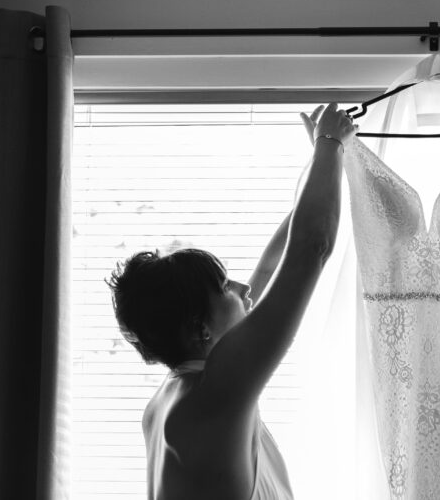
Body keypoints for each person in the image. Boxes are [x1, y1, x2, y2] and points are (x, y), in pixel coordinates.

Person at [108, 103, 357, 500]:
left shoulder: (173, 398)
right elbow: (310, 248)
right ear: (200, 328)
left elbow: (281, 258)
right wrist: (329, 144)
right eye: (224, 287)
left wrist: (322, 158)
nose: (242, 288)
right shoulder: (217, 393)